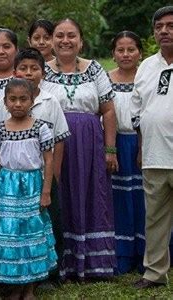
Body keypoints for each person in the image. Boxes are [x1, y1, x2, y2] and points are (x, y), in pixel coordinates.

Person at [41, 18, 118, 280]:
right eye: (59, 35)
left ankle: (92, 261)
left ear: (81, 41)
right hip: (52, 145)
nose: (65, 40)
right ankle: (58, 262)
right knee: (58, 194)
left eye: (71, 35)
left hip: (89, 145)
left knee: (89, 194)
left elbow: (108, 111)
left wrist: (110, 150)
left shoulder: (95, 69)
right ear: (51, 41)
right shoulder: (41, 70)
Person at [0, 48, 70, 282]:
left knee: (43, 224)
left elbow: (57, 143)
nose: (29, 73)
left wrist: (51, 179)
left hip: (40, 178)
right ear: (15, 71)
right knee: (12, 229)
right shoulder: (2, 107)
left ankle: (47, 276)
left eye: (34, 68)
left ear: (43, 71)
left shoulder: (51, 102)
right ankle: (12, 275)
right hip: (9, 183)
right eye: (23, 68)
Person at [0, 78, 57, 299]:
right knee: (10, 234)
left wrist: (46, 191)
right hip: (7, 187)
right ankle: (15, 285)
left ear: (32, 100)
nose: (18, 104)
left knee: (31, 234)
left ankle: (30, 288)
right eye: (13, 99)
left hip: (32, 187)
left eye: (23, 99)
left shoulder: (41, 127)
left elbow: (49, 160)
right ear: (5, 102)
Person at [131, 5, 173, 289]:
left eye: (170, 25)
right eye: (159, 27)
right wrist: (142, 148)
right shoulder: (146, 66)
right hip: (155, 156)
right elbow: (138, 112)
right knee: (155, 219)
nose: (164, 31)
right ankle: (155, 273)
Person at [108, 31, 146, 275]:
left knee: (144, 199)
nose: (125, 54)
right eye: (120, 50)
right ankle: (122, 252)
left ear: (140, 53)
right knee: (118, 200)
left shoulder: (147, 78)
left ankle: (146, 252)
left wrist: (143, 147)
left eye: (131, 49)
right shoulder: (105, 79)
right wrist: (109, 148)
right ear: (113, 54)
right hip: (115, 143)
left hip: (143, 143)